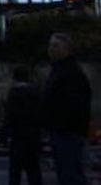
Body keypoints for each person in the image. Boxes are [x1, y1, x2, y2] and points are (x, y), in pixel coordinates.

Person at [42, 32, 92, 185]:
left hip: (67, 132)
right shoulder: (61, 70)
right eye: (50, 45)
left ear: (67, 49)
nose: (51, 49)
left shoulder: (71, 73)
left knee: (70, 174)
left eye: (55, 45)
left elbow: (77, 105)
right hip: (62, 131)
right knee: (67, 173)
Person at [3, 65, 42, 185]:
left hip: (18, 136)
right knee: (33, 169)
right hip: (33, 135)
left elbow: (10, 116)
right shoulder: (36, 92)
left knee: (15, 170)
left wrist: (4, 134)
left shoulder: (14, 93)